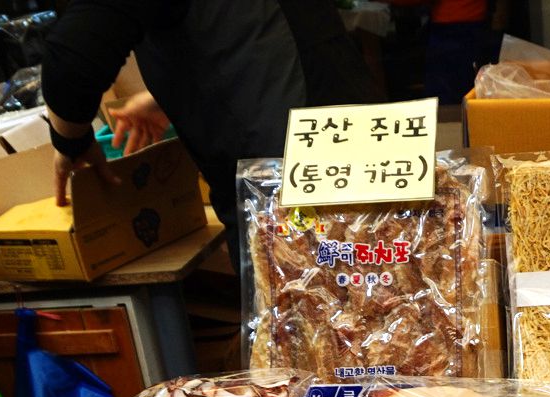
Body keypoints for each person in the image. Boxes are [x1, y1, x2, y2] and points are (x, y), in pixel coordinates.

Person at [40, 0, 384, 227]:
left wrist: (71, 142)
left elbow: (72, 61)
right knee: (388, 299)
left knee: (323, 308)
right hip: (363, 149)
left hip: (288, 189)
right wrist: (174, 94)